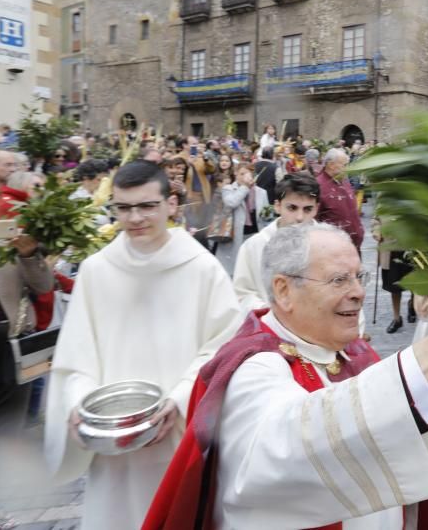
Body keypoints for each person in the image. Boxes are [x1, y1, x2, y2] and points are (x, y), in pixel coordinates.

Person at [143, 223, 428, 529]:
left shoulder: (352, 351)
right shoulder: (253, 367)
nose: (359, 292)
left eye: (358, 277)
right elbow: (287, 447)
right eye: (338, 280)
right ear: (284, 290)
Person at [43, 161, 243, 530]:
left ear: (171, 204)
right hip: (114, 446)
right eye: (124, 207)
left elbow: (222, 347)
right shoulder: (96, 270)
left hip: (176, 435)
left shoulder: (201, 268)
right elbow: (77, 355)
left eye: (147, 206)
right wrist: (80, 405)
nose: (135, 218)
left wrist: (180, 398)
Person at [233, 173, 321, 311]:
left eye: (307, 209)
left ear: (316, 209)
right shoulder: (254, 246)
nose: (299, 217)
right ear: (277, 206)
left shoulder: (330, 245)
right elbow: (242, 294)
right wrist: (271, 313)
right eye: (292, 208)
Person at [214, 163, 269, 275]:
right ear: (236, 174)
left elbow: (266, 216)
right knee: (234, 270)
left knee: (252, 270)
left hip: (255, 234)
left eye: (248, 173)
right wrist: (245, 187)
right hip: (235, 236)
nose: (245, 176)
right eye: (242, 173)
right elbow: (231, 202)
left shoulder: (261, 192)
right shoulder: (228, 189)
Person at [316, 148, 364, 250]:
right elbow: (313, 220)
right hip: (333, 249)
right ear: (331, 165)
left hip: (353, 246)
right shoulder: (318, 186)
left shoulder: (344, 181)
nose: (347, 168)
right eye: (344, 165)